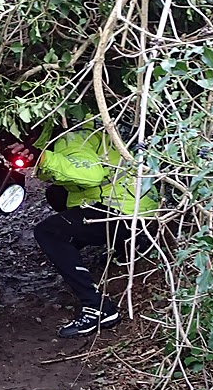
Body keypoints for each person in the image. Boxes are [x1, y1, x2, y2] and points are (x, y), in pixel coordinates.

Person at [32, 123, 156, 337]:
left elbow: (92, 174)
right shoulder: (89, 125)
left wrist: (44, 159)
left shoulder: (71, 136)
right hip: (139, 205)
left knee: (48, 232)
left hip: (125, 211)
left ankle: (97, 307)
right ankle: (131, 244)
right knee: (56, 193)